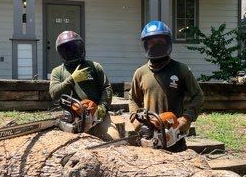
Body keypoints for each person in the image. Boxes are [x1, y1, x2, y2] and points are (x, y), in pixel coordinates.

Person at [129, 21, 204, 152]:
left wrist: (186, 118)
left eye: (160, 40)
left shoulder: (181, 69)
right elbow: (133, 98)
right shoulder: (140, 73)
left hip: (174, 135)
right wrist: (135, 119)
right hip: (150, 134)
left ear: (167, 42)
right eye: (151, 41)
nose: (156, 44)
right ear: (146, 44)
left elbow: (198, 96)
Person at [49, 31, 121, 141]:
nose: (71, 51)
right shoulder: (58, 71)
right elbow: (54, 93)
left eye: (74, 47)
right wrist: (71, 80)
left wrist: (101, 109)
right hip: (72, 118)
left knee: (114, 138)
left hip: (98, 117)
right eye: (67, 49)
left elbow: (106, 88)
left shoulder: (94, 67)